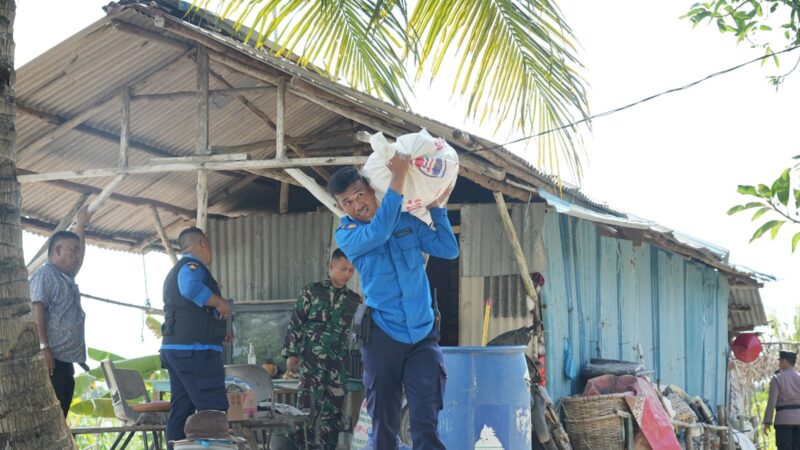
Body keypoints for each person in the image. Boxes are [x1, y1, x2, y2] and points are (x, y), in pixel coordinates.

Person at [328, 154, 459, 450]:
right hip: (383, 336)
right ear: (341, 208)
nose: (356, 205)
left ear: (372, 190)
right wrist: (399, 177)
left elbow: (448, 249)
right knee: (384, 424)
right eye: (347, 202)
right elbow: (380, 231)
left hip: (422, 335)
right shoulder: (348, 234)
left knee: (425, 422)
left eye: (360, 194)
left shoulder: (405, 220)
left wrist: (438, 209)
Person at [281, 248, 362, 450]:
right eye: (343, 269)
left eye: (351, 271)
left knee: (333, 412)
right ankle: (301, 447)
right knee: (306, 409)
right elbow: (296, 322)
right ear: (330, 267)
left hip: (338, 364)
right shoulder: (311, 291)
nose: (347, 274)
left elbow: (359, 332)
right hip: (311, 362)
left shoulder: (354, 300)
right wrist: (291, 354)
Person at [160, 227, 231, 447]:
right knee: (213, 408)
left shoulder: (179, 269)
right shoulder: (192, 267)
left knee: (182, 409)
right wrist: (220, 302)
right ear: (203, 243)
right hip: (194, 352)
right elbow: (189, 289)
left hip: (178, 349)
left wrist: (221, 328)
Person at [30, 206, 92, 418]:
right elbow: (36, 307)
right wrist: (43, 346)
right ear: (57, 251)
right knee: (51, 418)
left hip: (65, 362)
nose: (77, 255)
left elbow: (81, 257)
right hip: (52, 361)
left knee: (61, 415)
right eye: (72, 250)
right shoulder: (45, 275)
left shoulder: (65, 276)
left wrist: (81, 225)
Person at [764, 350, 800, 449]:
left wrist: (767, 421)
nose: (779, 363)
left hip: (783, 421)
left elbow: (772, 402)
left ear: (784, 361)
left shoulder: (777, 378)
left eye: (780, 361)